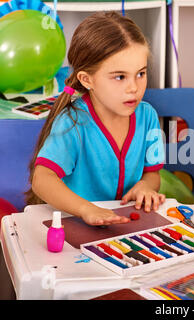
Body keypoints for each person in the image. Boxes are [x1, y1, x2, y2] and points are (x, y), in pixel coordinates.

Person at [25, 11, 165, 225]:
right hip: (74, 223)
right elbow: (42, 179)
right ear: (87, 79)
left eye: (141, 73)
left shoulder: (147, 116)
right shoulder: (73, 121)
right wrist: (86, 209)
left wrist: (146, 186)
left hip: (126, 226)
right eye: (120, 77)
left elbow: (152, 173)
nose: (134, 88)